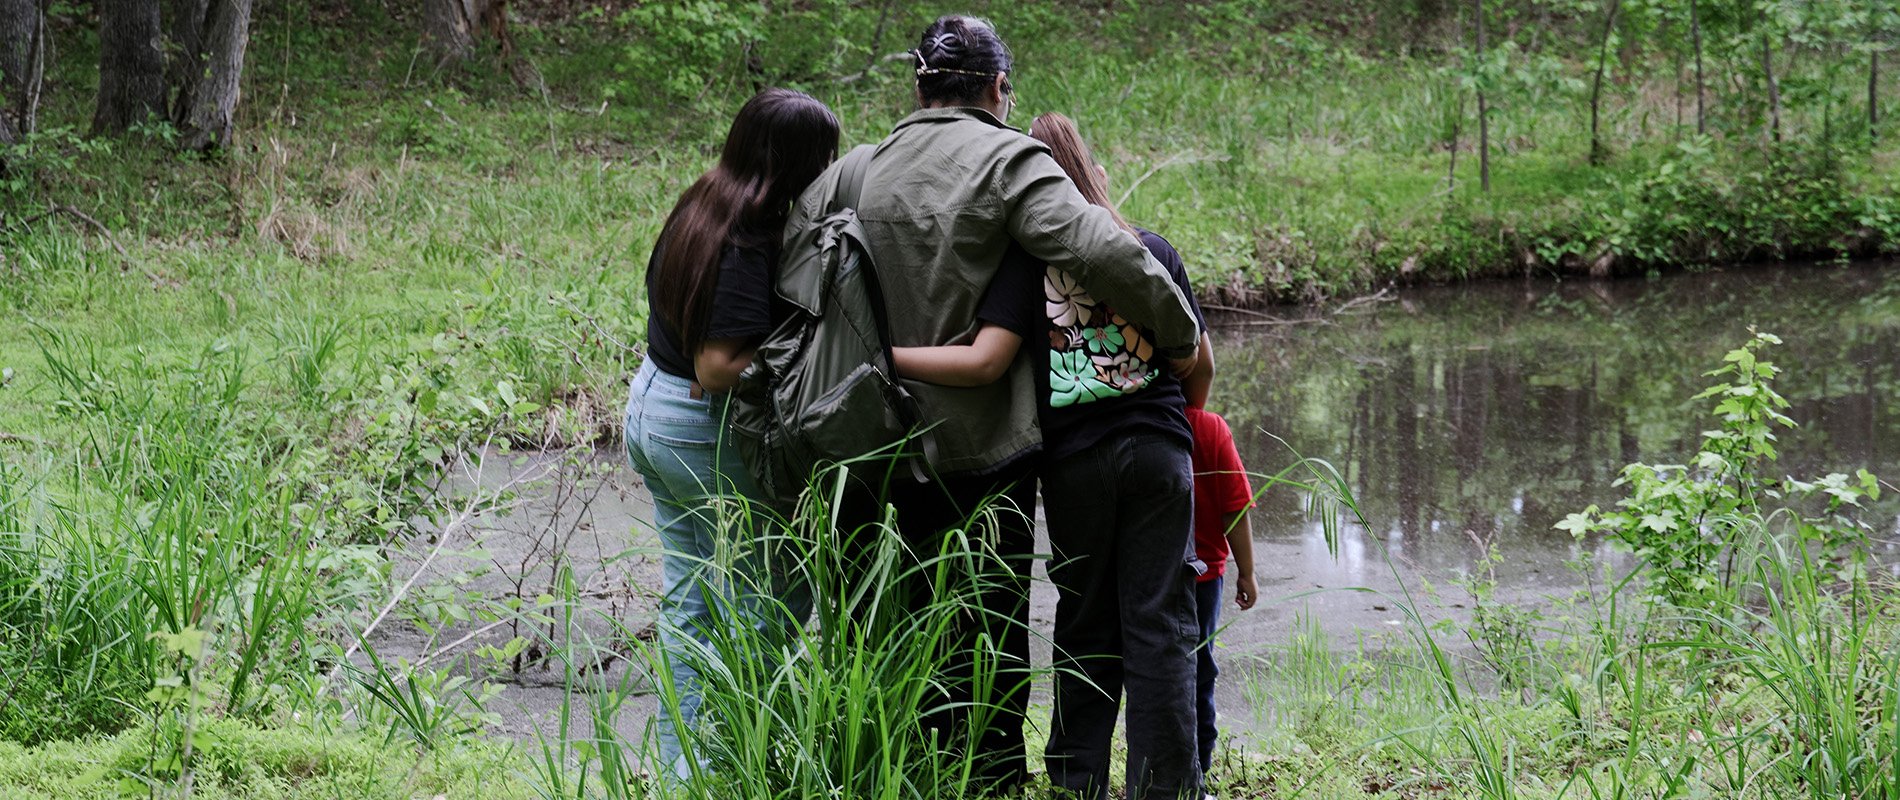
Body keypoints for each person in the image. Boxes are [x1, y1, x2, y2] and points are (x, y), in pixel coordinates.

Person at [795, 15, 1203, 791]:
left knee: (879, 622)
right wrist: (1180, 336)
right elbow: (1102, 249)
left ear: (917, 86)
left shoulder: (854, 170)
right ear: (997, 89)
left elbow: (794, 269)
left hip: (863, 442)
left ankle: (888, 771)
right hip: (980, 447)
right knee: (985, 628)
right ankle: (988, 780)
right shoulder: (1010, 160)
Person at [893, 111, 1214, 800]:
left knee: (1086, 623)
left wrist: (882, 359)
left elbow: (986, 365)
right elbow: (1198, 363)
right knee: (1162, 622)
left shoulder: (1024, 266)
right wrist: (1177, 431)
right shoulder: (1148, 248)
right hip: (1160, 451)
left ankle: (1076, 783)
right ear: (1092, 169)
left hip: (1075, 466)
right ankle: (1169, 788)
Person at [624, 88, 839, 780]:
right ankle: (732, 767)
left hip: (652, 408)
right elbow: (718, 368)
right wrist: (809, 353)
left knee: (692, 603)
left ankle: (685, 774)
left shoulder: (706, 198)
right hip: (700, 427)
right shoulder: (747, 236)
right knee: (772, 596)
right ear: (797, 163)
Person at [1184, 398, 1258, 778]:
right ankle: (1199, 771)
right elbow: (1235, 506)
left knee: (1151, 672)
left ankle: (1154, 769)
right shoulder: (1210, 428)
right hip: (1203, 578)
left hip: (1140, 576)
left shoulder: (1134, 419)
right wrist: (1247, 571)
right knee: (1199, 672)